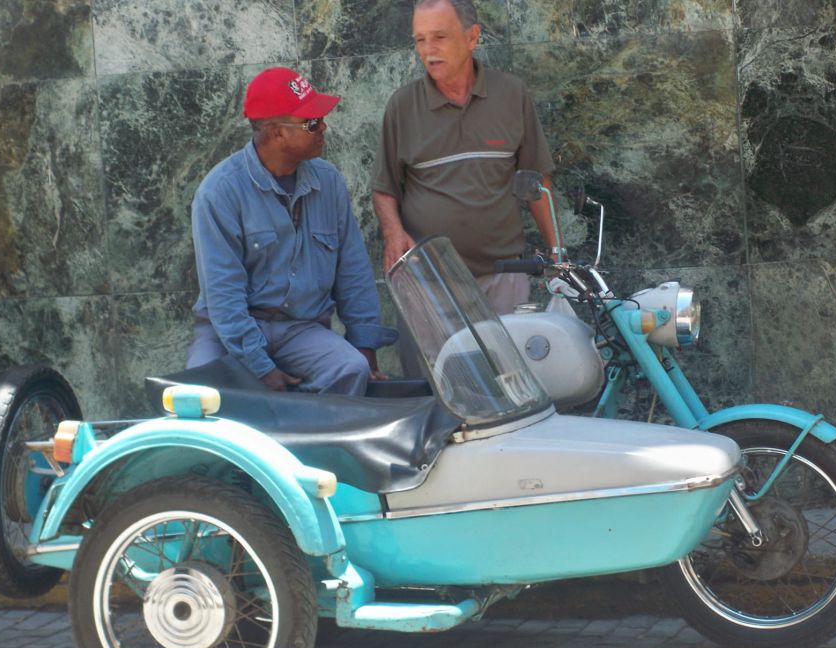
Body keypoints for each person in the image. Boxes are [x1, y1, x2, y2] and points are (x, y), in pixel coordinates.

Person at [186, 66, 396, 395]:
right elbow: (224, 297)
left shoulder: (329, 182)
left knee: (350, 368)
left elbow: (353, 272)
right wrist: (261, 367)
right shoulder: (219, 193)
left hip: (301, 329)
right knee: (202, 394)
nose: (323, 126)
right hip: (228, 332)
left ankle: (322, 445)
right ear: (276, 133)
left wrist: (364, 348)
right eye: (312, 123)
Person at [371, 0, 558, 317]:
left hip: (504, 276)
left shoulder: (511, 94)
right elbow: (383, 187)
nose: (428, 50)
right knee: (439, 368)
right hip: (430, 283)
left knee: (512, 366)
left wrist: (557, 252)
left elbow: (536, 181)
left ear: (472, 37)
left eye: (439, 37)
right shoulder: (402, 106)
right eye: (420, 39)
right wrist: (393, 233)